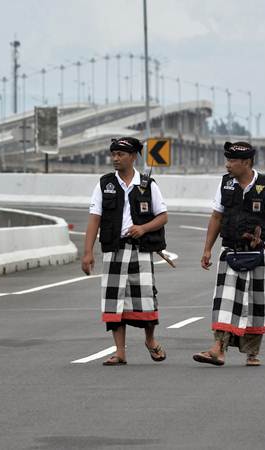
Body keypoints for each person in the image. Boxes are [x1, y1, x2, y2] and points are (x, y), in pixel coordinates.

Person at [194, 141, 265, 367]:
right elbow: (217, 217)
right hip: (230, 251)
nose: (227, 165)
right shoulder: (225, 184)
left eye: (232, 161)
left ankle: (252, 353)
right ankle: (218, 349)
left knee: (256, 303)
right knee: (224, 302)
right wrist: (207, 248)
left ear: (246, 162)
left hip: (257, 254)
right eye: (227, 160)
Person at [82, 136, 169, 365]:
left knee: (146, 301)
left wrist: (143, 228)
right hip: (114, 250)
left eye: (120, 154)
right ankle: (120, 351)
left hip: (140, 251)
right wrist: (88, 252)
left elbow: (163, 216)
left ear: (132, 157)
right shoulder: (104, 184)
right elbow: (94, 219)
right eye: (113, 154)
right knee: (114, 303)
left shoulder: (148, 184)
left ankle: (150, 340)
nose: (115, 158)